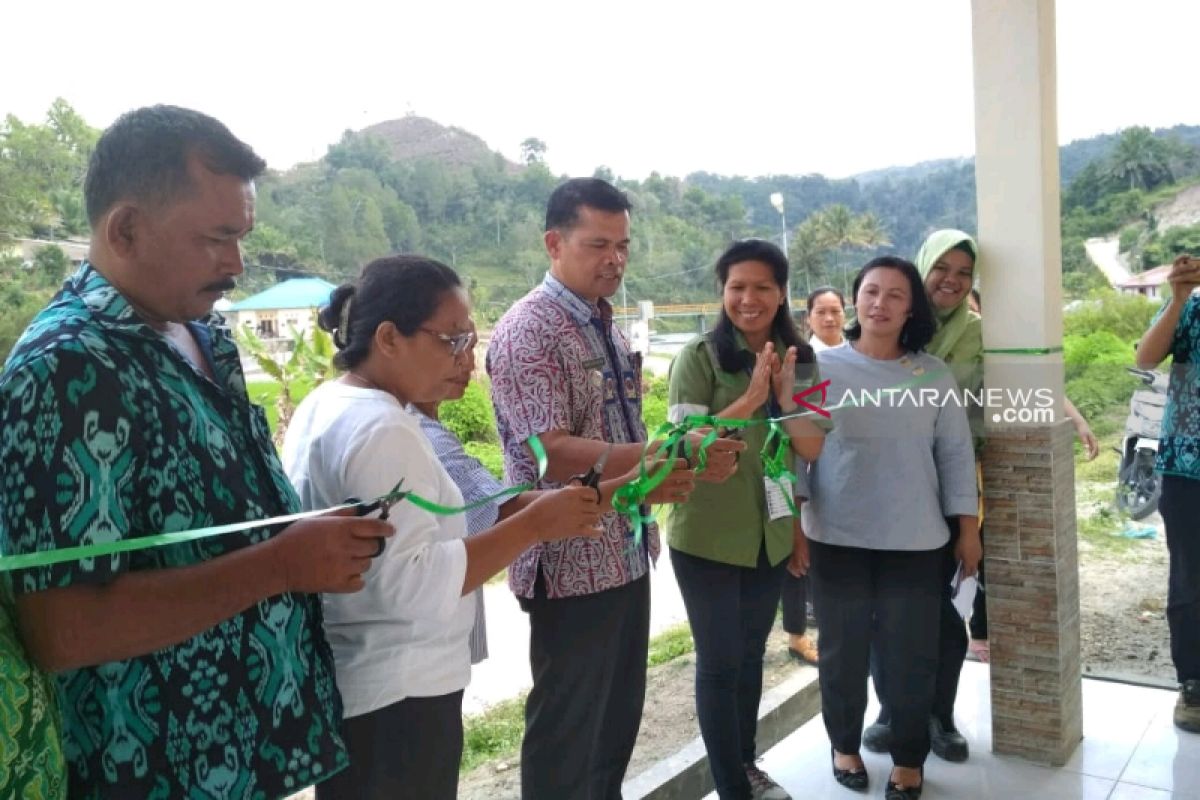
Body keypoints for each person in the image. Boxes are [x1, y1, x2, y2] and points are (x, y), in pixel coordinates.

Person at [0, 105, 393, 798]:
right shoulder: (65, 370)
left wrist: (303, 545)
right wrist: (282, 564)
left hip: (249, 757)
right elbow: (63, 629)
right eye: (216, 239)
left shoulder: (202, 334)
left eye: (241, 238)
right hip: (153, 773)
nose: (236, 265)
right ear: (126, 229)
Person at [282, 256, 643, 799]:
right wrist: (534, 527)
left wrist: (605, 494)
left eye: (469, 339)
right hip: (400, 693)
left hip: (364, 684)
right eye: (451, 341)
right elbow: (413, 586)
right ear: (388, 338)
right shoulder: (384, 428)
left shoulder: (332, 404)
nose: (466, 359)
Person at [487, 177, 743, 799]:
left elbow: (614, 431)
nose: (615, 259)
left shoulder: (603, 323)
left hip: (623, 549)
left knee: (614, 728)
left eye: (623, 245)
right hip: (570, 560)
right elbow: (549, 455)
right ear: (554, 242)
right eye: (598, 244)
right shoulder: (530, 330)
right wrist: (668, 452)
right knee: (569, 733)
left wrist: (665, 460)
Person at [794, 256, 979, 799]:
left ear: (911, 308)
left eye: (895, 295)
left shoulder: (933, 374)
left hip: (916, 542)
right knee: (842, 652)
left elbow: (955, 457)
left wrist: (967, 530)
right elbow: (796, 457)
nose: (880, 303)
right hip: (835, 536)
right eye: (871, 291)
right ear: (855, 300)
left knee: (910, 653)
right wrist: (794, 526)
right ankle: (844, 745)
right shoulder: (817, 369)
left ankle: (907, 758)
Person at [667, 239, 828, 800]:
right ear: (723, 292)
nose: (749, 298)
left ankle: (745, 764)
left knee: (750, 655)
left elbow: (810, 450)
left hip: (772, 536)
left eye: (762, 287)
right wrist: (748, 398)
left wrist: (781, 397)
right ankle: (733, 785)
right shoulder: (698, 358)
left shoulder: (802, 359)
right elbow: (678, 446)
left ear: (781, 292)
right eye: (737, 287)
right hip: (707, 536)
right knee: (719, 662)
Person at [862, 229, 982, 763]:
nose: (951, 281)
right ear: (921, 270)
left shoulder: (978, 337)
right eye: (942, 269)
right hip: (884, 493)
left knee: (944, 614)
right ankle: (891, 711)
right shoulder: (882, 333)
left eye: (963, 273)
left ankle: (939, 715)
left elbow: (988, 412)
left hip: (949, 490)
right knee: (885, 614)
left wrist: (969, 522)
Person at [1135, 253, 1200, 734]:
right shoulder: (1192, 307)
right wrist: (1177, 299)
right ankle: (1194, 682)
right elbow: (1145, 357)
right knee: (1191, 579)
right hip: (1188, 466)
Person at [806, 286, 848, 352]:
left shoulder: (860, 352)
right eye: (821, 312)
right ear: (808, 318)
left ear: (845, 316)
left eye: (835, 311)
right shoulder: (802, 358)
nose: (829, 319)